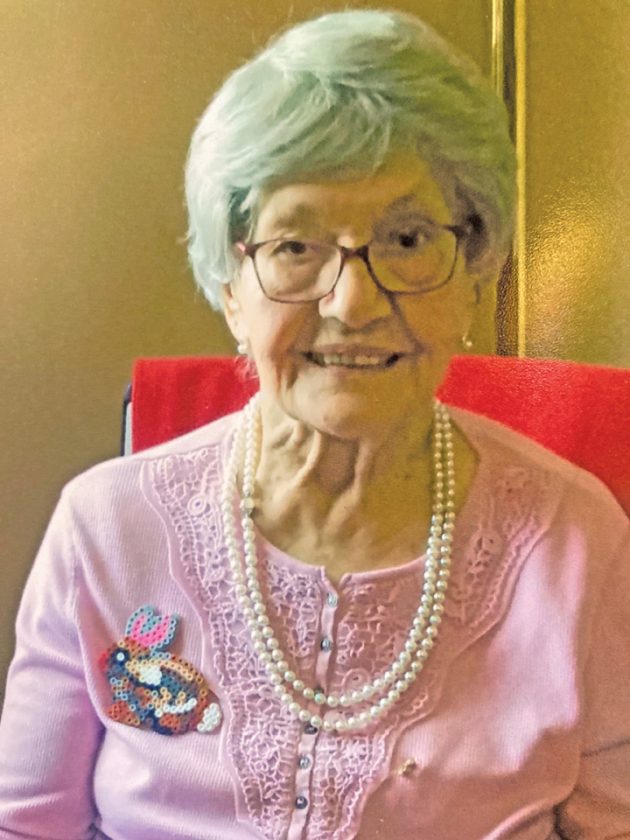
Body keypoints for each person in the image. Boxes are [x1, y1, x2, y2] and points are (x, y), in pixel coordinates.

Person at [0, 8, 628, 840]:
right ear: (232, 288)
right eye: (295, 247)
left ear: (475, 274)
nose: (353, 302)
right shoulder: (104, 529)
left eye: (407, 238)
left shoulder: (579, 542)